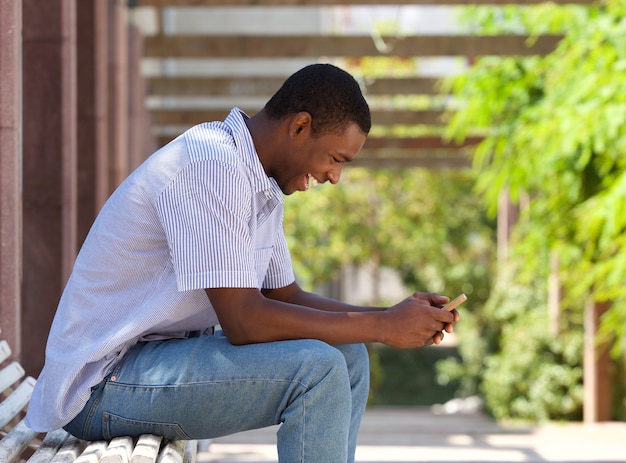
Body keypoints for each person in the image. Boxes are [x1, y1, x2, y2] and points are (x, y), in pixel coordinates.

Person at [25, 63, 459, 463]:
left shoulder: (259, 185)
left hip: (153, 363)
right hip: (100, 384)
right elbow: (245, 322)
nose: (334, 177)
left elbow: (286, 297)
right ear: (300, 126)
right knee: (317, 371)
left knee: (348, 356)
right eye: (335, 159)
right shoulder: (211, 166)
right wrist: (385, 328)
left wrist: (392, 316)